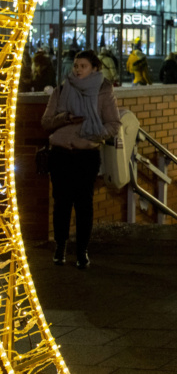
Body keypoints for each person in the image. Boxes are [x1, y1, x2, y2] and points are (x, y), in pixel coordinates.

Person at [41, 50, 122, 269]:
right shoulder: (61, 89)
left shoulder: (104, 91)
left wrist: (92, 133)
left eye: (83, 66)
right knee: (61, 204)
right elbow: (46, 122)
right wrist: (66, 118)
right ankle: (60, 247)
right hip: (61, 155)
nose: (77, 69)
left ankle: (82, 251)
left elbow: (114, 124)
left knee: (84, 205)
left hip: (86, 155)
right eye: (76, 65)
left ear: (95, 68)